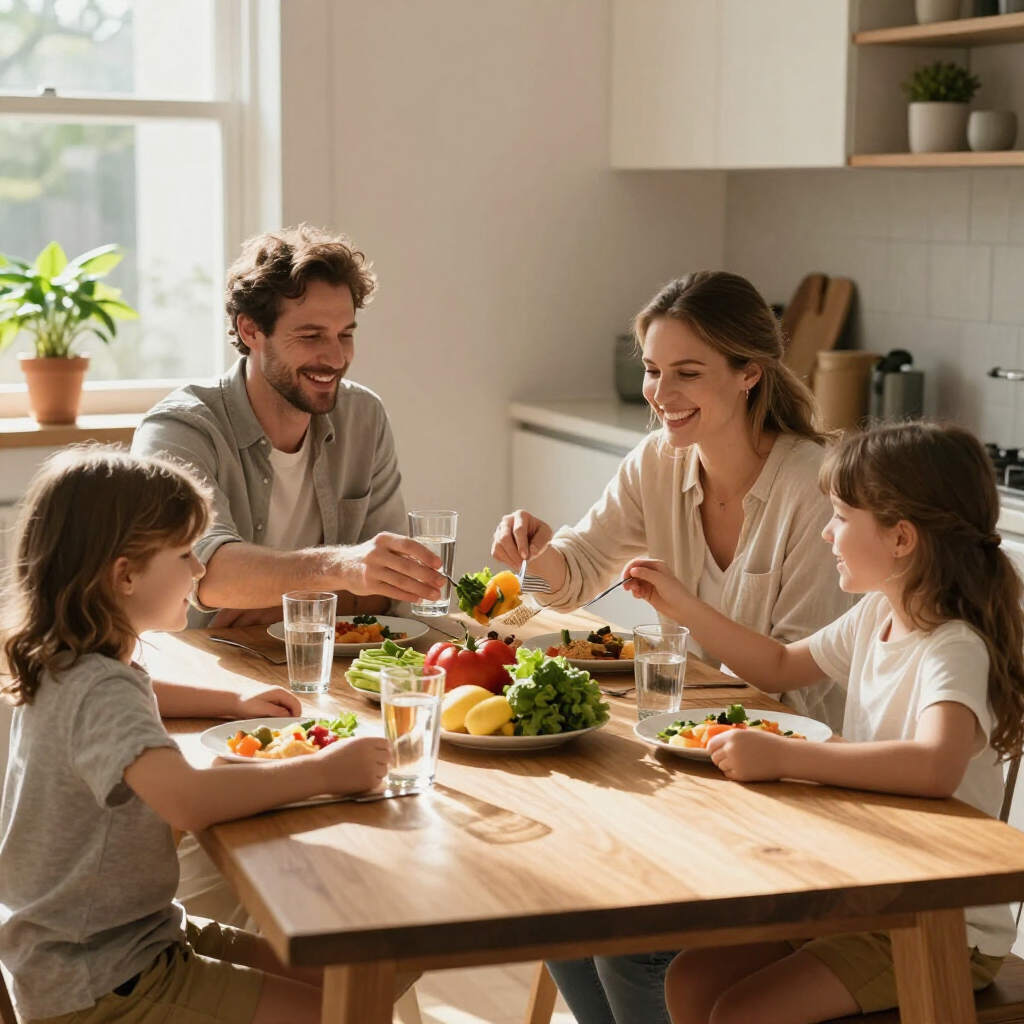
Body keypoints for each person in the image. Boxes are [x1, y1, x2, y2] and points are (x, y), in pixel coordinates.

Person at [491, 272, 856, 1024]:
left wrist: (685, 618)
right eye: (654, 370)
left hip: (793, 778)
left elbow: (799, 685)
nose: (661, 393)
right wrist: (536, 550)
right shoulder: (658, 461)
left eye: (687, 372)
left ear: (749, 372)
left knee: (634, 947)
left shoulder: (813, 487)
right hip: (692, 755)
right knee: (558, 908)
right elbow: (575, 573)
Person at [621, 421, 1024, 1024]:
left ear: (901, 538)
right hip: (869, 895)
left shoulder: (953, 645)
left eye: (839, 517)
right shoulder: (876, 614)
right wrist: (680, 604)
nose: (825, 532)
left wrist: (785, 757)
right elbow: (779, 666)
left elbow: (936, 765)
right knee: (692, 979)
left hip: (941, 923)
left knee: (740, 1013)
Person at [0, 447, 394, 1023]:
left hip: (118, 942)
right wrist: (326, 772)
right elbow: (188, 800)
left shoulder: (74, 664)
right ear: (125, 575)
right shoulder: (99, 689)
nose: (200, 571)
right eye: (186, 554)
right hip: (100, 979)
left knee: (353, 986)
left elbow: (144, 696)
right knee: (348, 1012)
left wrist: (231, 701)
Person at [132, 224, 444, 630]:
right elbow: (208, 576)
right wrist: (342, 569)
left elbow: (393, 581)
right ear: (251, 330)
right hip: (202, 660)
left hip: (319, 657)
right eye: (311, 335)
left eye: (344, 335)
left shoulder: (363, 416)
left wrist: (292, 604)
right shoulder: (179, 430)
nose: (336, 358)